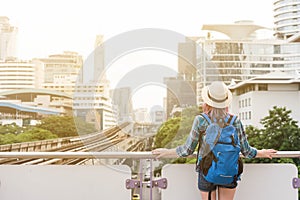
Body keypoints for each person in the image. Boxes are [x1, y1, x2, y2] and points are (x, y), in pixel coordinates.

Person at [152, 81, 277, 200]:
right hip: (229, 171)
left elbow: (187, 150)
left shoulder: (201, 120)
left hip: (207, 172)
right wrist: (262, 152)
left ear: (207, 102)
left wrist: (166, 152)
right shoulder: (235, 121)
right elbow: (247, 151)